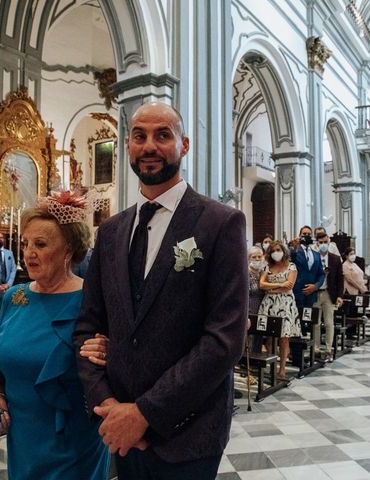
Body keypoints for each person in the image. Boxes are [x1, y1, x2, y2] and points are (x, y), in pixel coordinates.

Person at [73, 102, 248, 479]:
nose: (149, 145)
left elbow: (224, 339)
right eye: (139, 136)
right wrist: (108, 405)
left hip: (188, 432)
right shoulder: (111, 232)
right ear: (128, 147)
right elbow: (87, 327)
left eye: (162, 135)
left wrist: (145, 414)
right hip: (118, 425)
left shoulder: (220, 223)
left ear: (183, 145)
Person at [0, 192, 110, 479]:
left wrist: (111, 352)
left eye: (40, 244)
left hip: (74, 440)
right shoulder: (15, 297)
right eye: (26, 243)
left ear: (68, 250)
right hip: (23, 436)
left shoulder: (93, 300)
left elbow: (116, 361)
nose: (28, 252)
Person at [258, 241, 299, 378]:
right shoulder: (268, 266)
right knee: (270, 336)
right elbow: (262, 284)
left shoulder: (291, 266)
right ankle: (271, 366)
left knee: (284, 338)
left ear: (284, 251)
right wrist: (280, 284)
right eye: (273, 250)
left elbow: (289, 286)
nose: (276, 252)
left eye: (278, 249)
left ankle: (282, 368)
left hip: (285, 304)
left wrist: (271, 287)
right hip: (269, 304)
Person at [313, 231, 344, 363]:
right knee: (315, 323)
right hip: (315, 293)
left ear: (329, 242)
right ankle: (316, 349)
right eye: (321, 243)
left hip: (328, 293)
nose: (323, 245)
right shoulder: (313, 257)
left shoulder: (335, 258)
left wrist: (340, 296)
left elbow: (340, 278)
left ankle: (328, 349)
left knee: (329, 322)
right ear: (317, 243)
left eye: (325, 242)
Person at [291, 226, 325, 312]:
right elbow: (290, 262)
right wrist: (294, 246)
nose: (306, 236)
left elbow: (321, 274)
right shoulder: (294, 251)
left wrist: (316, 286)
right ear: (299, 235)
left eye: (309, 234)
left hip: (311, 294)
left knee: (309, 322)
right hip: (297, 293)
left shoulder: (316, 254)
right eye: (304, 234)